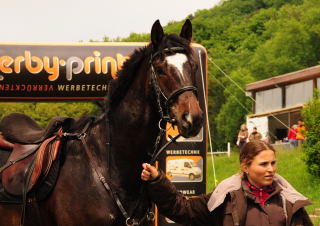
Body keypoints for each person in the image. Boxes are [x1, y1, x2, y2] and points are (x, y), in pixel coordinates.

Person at [141, 140, 313, 226]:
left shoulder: (290, 201)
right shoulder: (226, 196)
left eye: (273, 163)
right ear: (245, 166)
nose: (271, 169)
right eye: (263, 164)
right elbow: (183, 210)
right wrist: (158, 180)